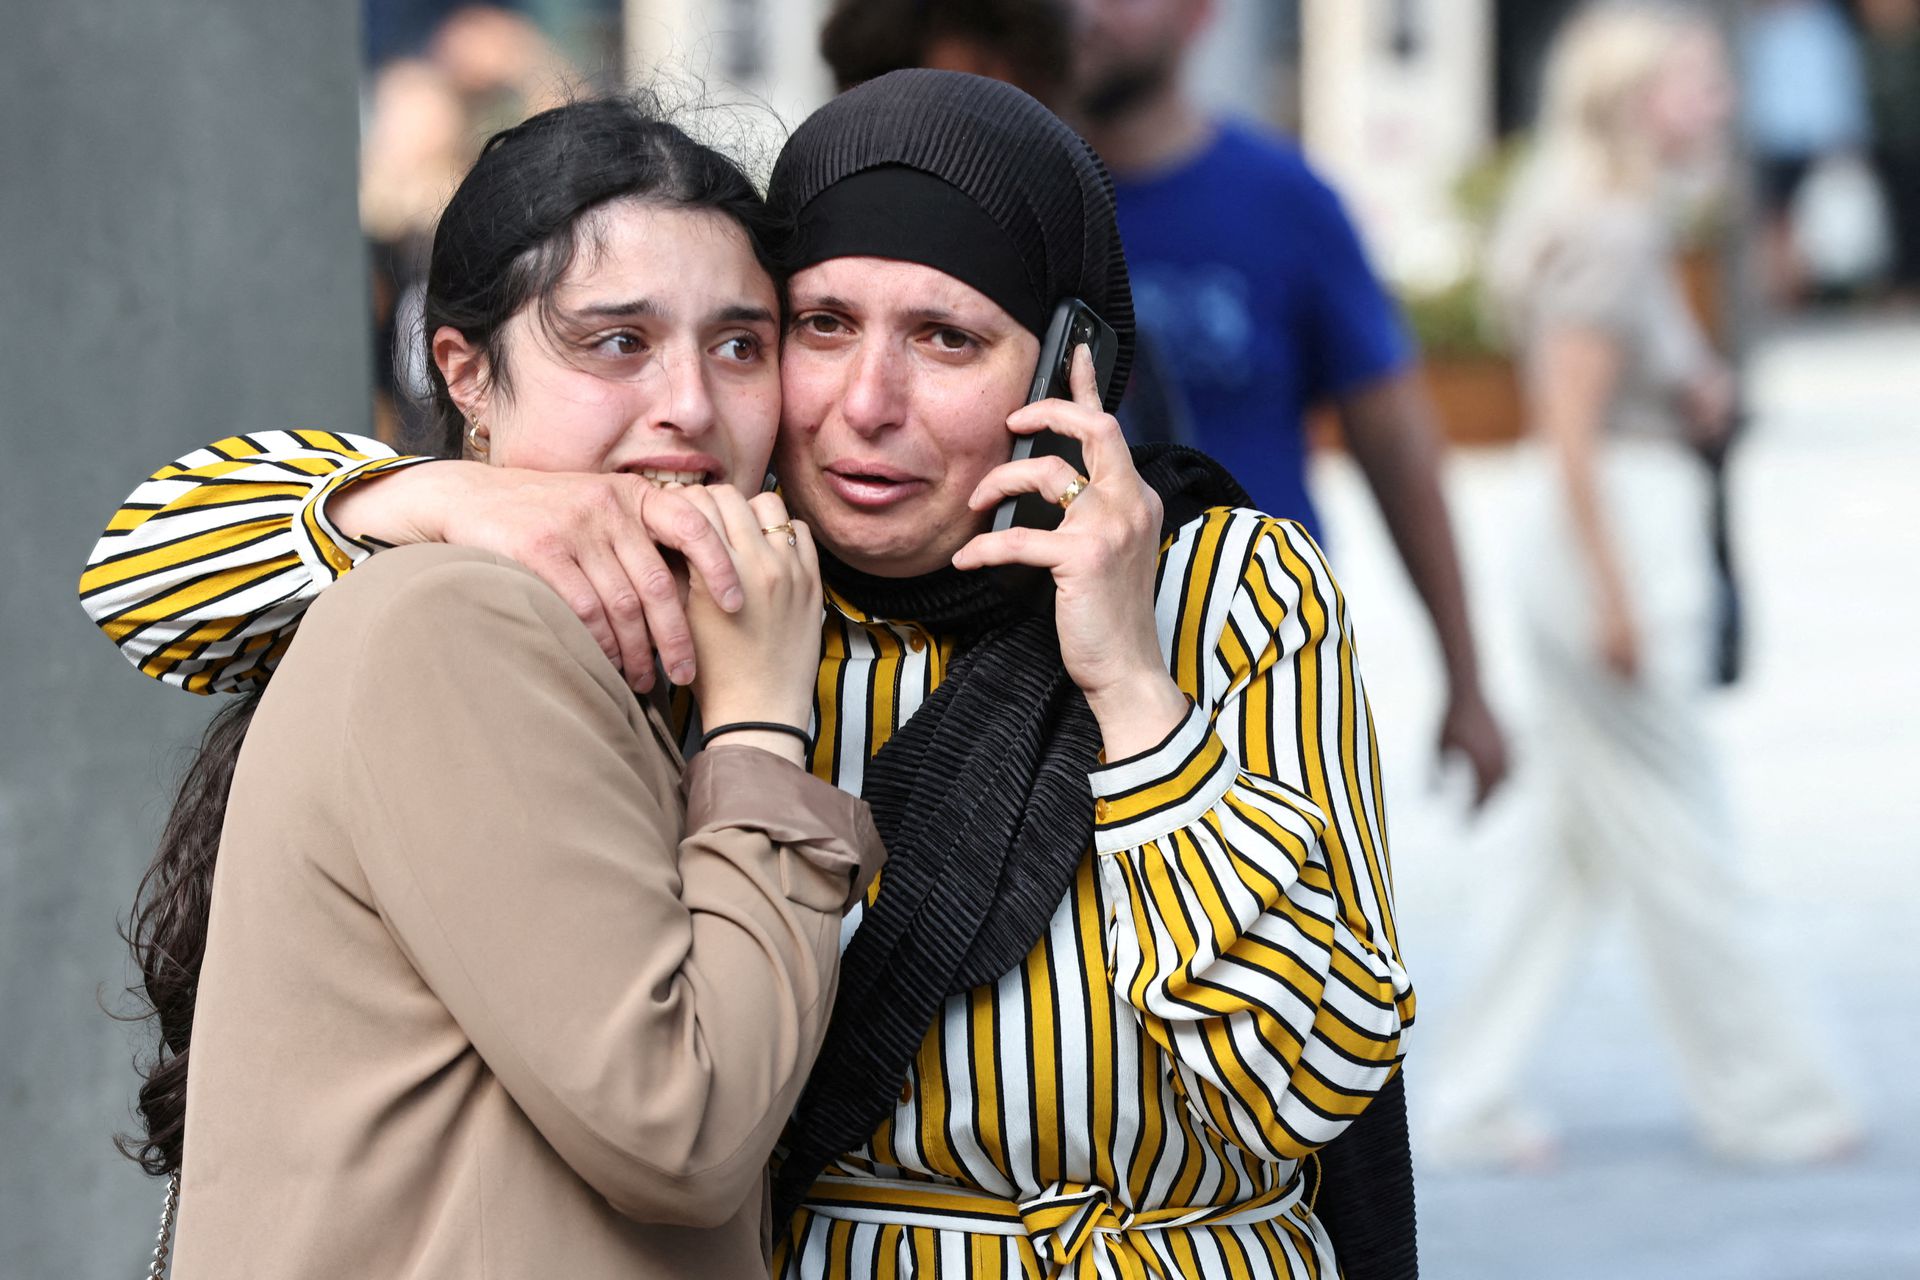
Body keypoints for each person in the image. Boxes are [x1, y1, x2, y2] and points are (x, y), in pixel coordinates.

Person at [83, 71, 1412, 1276]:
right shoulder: (706, 577)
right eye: (821, 326)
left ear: (1074, 364)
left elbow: (1311, 1082)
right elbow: (142, 576)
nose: (866, 404)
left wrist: (1131, 695)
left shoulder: (1223, 589)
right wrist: (451, 498)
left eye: (946, 339)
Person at [97, 99, 884, 1279]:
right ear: (464, 371)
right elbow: (688, 1127)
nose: (690, 401)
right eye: (616, 342)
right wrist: (760, 721)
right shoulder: (460, 616)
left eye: (740, 343)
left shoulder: (665, 624)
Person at [1424, 0, 1861, 1170]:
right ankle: (1771, 1097)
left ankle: (1465, 1096)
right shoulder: (1609, 230)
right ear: (1633, 98)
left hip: (1612, 538)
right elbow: (1567, 430)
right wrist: (1616, 597)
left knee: (1559, 849)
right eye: (1697, 81)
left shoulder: (1617, 221)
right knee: (1687, 835)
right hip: (1614, 547)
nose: (1718, 101)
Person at [1070, 0, 1510, 807]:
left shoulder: (1287, 201)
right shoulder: (1016, 197)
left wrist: (1467, 678)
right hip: (1061, 671)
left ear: (1198, 15)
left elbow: (1399, 449)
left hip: (1261, 666)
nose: (1088, 11)